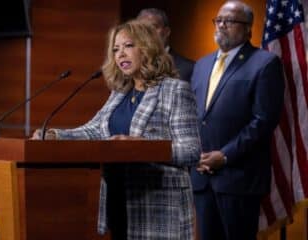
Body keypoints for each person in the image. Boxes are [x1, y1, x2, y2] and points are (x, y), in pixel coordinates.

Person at [33, 20, 200, 240]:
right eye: (115, 49)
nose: (120, 54)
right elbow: (94, 131)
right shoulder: (119, 93)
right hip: (118, 199)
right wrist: (56, 135)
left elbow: (191, 150)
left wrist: (144, 148)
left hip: (158, 205)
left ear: (147, 47)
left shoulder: (174, 90)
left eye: (128, 46)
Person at [190, 1, 285, 240]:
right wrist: (194, 154)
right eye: (219, 20)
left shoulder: (264, 63)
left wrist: (224, 155)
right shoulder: (201, 65)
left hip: (238, 179)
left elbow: (263, 121)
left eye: (230, 21)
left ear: (248, 30)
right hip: (202, 178)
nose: (221, 25)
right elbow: (194, 116)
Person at [137, 8, 195, 81]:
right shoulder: (132, 67)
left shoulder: (188, 68)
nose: (148, 33)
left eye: (153, 27)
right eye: (142, 29)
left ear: (167, 32)